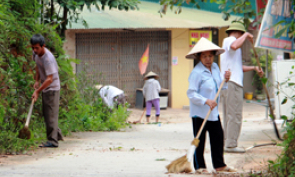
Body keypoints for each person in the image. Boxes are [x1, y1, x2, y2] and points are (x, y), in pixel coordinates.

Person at [186, 37, 235, 173]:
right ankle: (200, 167)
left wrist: (226, 79)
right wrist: (206, 101)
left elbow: (220, 88)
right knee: (199, 140)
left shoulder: (215, 68)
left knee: (218, 137)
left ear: (213, 56)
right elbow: (191, 93)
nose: (208, 59)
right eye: (204, 56)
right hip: (199, 113)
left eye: (210, 56)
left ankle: (219, 165)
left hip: (213, 113)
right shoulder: (196, 73)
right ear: (199, 57)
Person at [220, 22, 264, 153]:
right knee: (235, 115)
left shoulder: (231, 47)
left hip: (230, 83)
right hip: (232, 84)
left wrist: (255, 68)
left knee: (230, 115)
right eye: (241, 34)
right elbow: (234, 45)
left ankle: (227, 142)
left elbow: (238, 68)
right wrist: (245, 35)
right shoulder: (230, 40)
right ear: (238, 32)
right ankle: (231, 145)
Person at [31, 34, 63, 148]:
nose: (34, 50)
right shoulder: (36, 54)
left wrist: (38, 91)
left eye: (37, 48)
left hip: (52, 88)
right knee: (47, 113)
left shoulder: (48, 59)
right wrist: (37, 80)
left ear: (43, 46)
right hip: (45, 86)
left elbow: (50, 79)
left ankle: (53, 141)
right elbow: (37, 66)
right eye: (33, 48)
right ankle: (57, 134)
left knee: (50, 115)